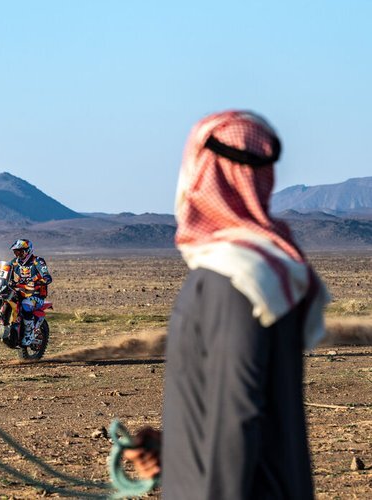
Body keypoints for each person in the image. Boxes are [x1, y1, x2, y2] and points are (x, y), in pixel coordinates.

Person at [124, 110, 330, 499]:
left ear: (203, 172)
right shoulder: (269, 272)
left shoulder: (234, 278)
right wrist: (176, 450)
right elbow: (245, 413)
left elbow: (238, 419)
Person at [8, 239, 52, 346]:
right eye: (16, 252)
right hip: (21, 293)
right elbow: (6, 271)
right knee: (6, 300)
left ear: (28, 251)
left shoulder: (37, 261)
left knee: (26, 305)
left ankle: (29, 334)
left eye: (20, 251)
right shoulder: (14, 262)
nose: (17, 254)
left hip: (36, 295)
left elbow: (47, 277)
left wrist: (39, 281)